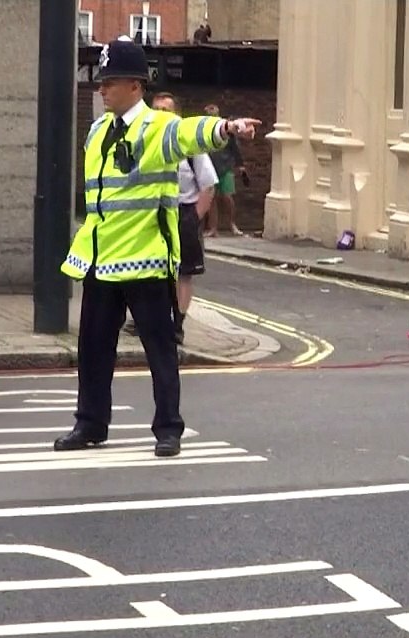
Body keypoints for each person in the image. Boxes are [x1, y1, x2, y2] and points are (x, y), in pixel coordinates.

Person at [54, 36, 259, 458]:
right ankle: (90, 423)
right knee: (93, 351)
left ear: (134, 85)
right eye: (101, 81)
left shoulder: (158, 127)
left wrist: (226, 128)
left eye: (109, 81)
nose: (102, 89)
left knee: (160, 350)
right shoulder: (96, 132)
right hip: (101, 259)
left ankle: (168, 428)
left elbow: (191, 132)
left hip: (145, 260)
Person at [151, 92, 218, 345]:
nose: (160, 115)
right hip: (152, 214)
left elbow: (209, 185)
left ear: (177, 116)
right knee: (151, 271)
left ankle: (177, 325)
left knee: (183, 273)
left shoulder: (189, 146)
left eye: (166, 110)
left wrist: (193, 219)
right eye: (156, 109)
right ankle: (149, 320)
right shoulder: (145, 143)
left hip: (183, 213)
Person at [203, 103, 245, 237]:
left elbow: (235, 148)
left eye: (214, 115)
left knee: (227, 196)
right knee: (212, 199)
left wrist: (240, 165)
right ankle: (213, 228)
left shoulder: (226, 130)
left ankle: (232, 224)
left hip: (225, 166)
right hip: (210, 167)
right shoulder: (203, 130)